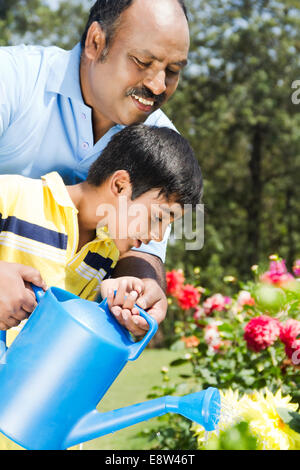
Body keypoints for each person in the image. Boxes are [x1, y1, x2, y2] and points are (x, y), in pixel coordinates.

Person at [0, 0, 190, 336]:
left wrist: (142, 287)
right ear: (95, 42)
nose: (159, 85)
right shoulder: (12, 79)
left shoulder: (158, 142)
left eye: (173, 71)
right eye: (142, 62)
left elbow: (141, 251)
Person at [0, 124, 202, 341]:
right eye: (158, 217)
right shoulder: (12, 195)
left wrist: (109, 298)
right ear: (120, 186)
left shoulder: (107, 255)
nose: (158, 236)